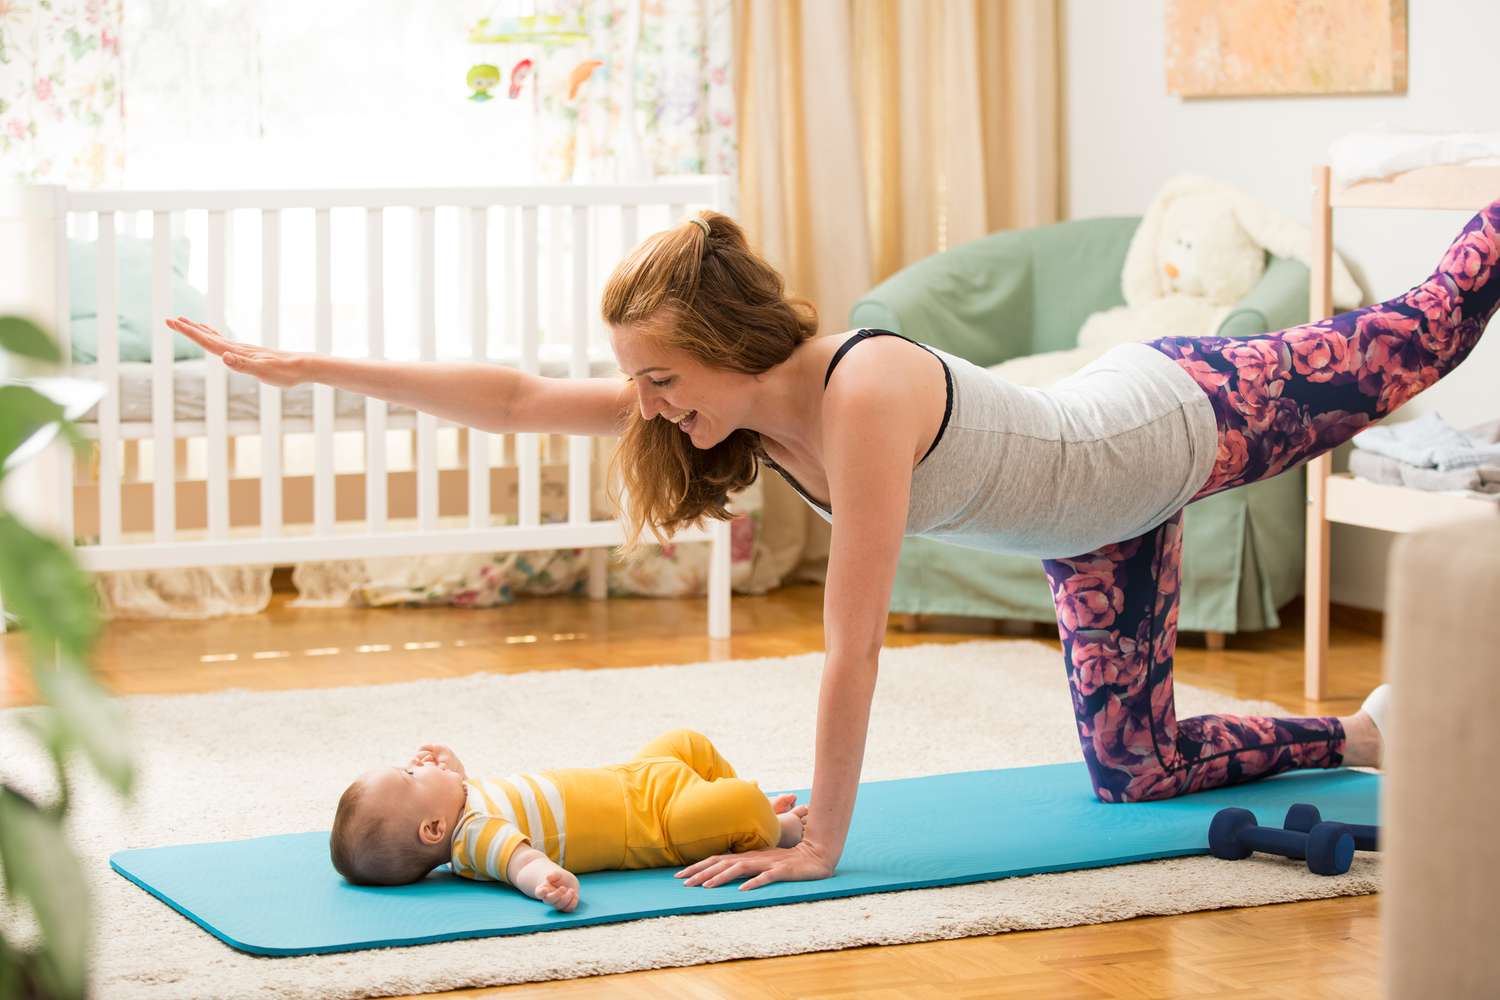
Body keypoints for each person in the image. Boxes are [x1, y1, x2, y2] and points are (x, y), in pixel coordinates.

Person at [172, 196, 1500, 893]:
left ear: (721, 349)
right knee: (1136, 771)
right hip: (1101, 529)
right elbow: (519, 398)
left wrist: (822, 844)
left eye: (657, 379)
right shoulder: (741, 421)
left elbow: (852, 649)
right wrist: (303, 370)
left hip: (1177, 417)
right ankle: (1372, 736)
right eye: (638, 386)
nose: (647, 406)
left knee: (1426, 337)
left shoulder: (862, 390)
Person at [328, 728, 808, 910]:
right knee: (740, 801)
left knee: (687, 743)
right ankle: (774, 830)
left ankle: (740, 821)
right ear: (433, 829)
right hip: (653, 824)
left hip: (633, 777)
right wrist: (545, 880)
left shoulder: (466, 803)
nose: (419, 765)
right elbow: (518, 859)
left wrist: (454, 769)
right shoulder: (473, 839)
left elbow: (498, 802)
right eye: (411, 775)